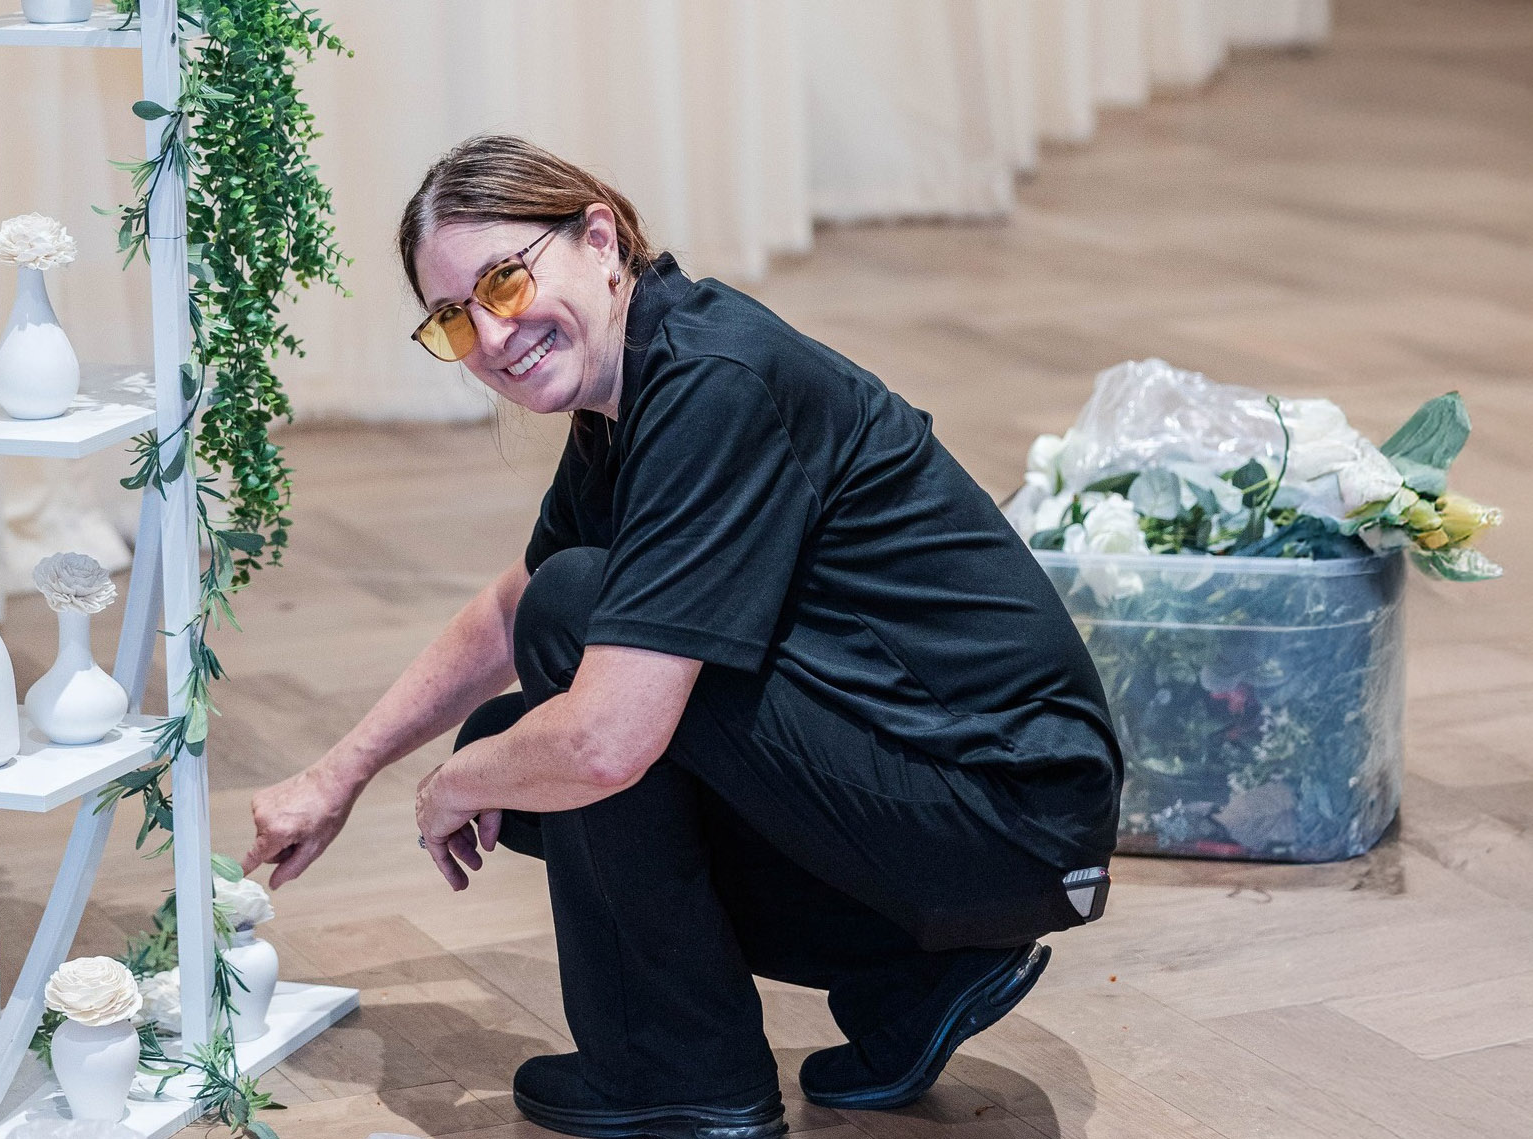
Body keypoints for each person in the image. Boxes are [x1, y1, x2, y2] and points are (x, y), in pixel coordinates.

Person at [241, 134, 1122, 1139]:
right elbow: (505, 607)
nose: (490, 333)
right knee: (534, 696)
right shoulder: (634, 388)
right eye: (452, 320)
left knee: (570, 661)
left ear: (599, 239)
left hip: (1007, 813)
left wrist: (456, 784)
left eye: (502, 279)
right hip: (976, 805)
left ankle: (675, 1069)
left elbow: (606, 733)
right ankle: (910, 974)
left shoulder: (711, 381)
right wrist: (339, 774)